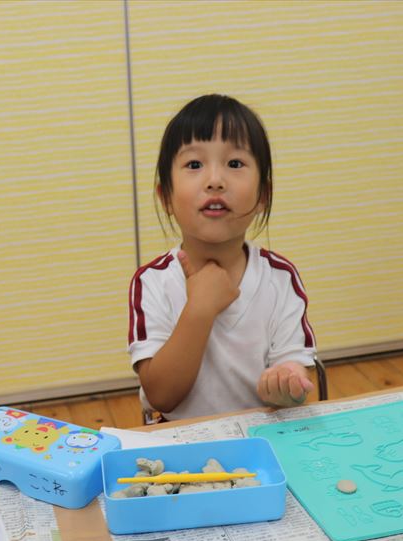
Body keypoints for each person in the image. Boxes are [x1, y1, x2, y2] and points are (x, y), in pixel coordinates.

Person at [128, 94, 316, 420]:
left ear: (263, 195)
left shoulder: (280, 276)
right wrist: (200, 307)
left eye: (235, 164)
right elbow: (161, 396)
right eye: (194, 165)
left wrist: (287, 383)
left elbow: (294, 368)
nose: (215, 181)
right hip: (179, 440)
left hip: (261, 436)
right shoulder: (152, 281)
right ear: (166, 197)